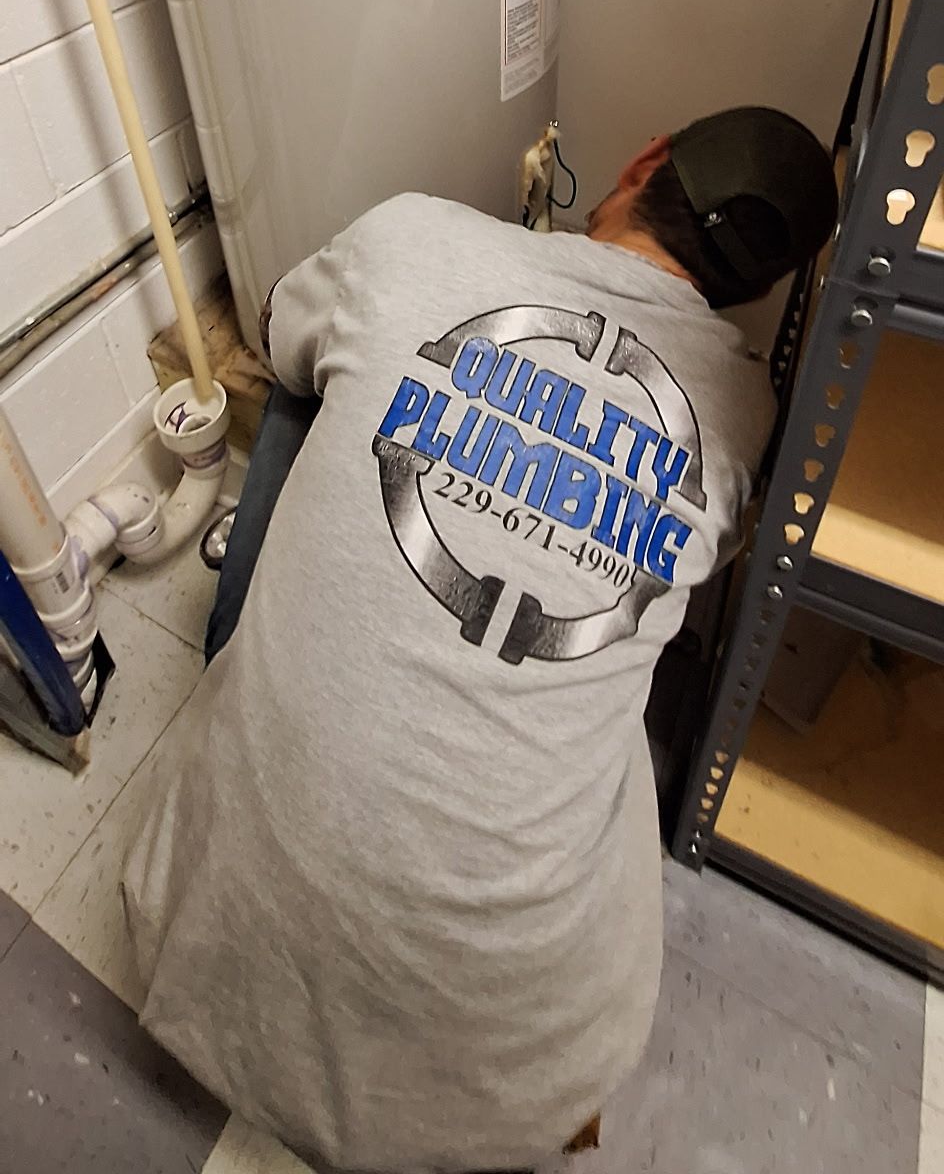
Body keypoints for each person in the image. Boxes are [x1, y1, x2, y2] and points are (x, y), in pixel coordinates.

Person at [122, 107, 837, 1173]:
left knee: (312, 390)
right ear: (756, 288)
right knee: (616, 686)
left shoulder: (415, 234)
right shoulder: (740, 402)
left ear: (644, 162)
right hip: (509, 1086)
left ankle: (237, 656)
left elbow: (277, 329)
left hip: (196, 942)